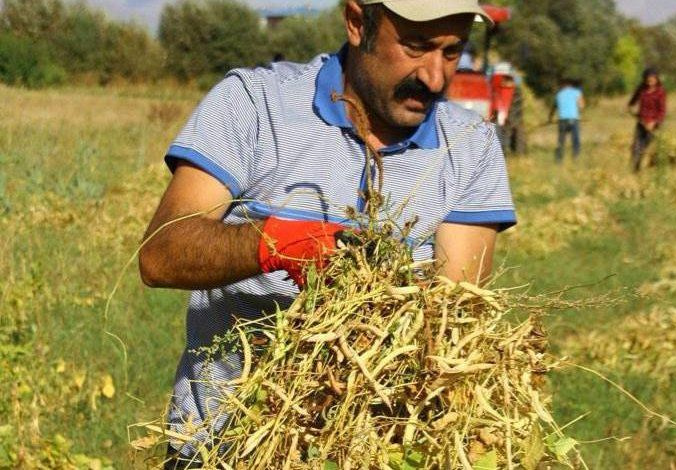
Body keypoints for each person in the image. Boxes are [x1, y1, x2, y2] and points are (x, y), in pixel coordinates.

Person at [139, 0, 516, 467]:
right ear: (358, 22)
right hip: (223, 445)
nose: (435, 78)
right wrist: (277, 243)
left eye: (452, 52)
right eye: (416, 48)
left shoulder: (470, 145)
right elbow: (160, 254)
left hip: (376, 453)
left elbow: (455, 317)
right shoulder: (254, 104)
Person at [628, 68, 666, 172]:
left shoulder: (660, 92)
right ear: (644, 80)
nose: (650, 83)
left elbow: (662, 111)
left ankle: (652, 169)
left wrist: (654, 123)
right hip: (641, 123)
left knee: (647, 148)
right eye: (648, 80)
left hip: (654, 125)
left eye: (652, 80)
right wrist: (632, 111)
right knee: (636, 147)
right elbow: (631, 103)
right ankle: (635, 170)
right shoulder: (641, 90)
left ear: (657, 79)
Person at [549, 78, 585, 162]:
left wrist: (550, 118)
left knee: (561, 140)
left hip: (562, 121)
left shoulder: (559, 94)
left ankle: (559, 159)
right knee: (575, 139)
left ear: (563, 86)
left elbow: (553, 107)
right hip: (573, 119)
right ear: (571, 85)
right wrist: (578, 111)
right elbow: (581, 106)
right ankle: (575, 157)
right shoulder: (577, 92)